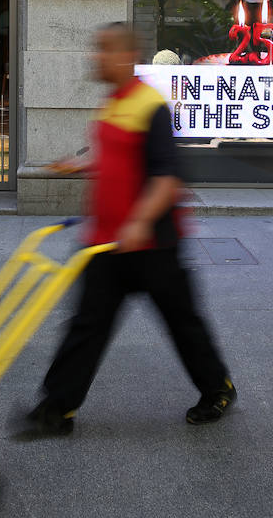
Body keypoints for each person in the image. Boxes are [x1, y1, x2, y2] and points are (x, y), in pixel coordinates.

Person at [20, 22, 235, 437]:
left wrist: (139, 222)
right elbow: (122, 160)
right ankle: (57, 408)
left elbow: (168, 177)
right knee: (87, 324)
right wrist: (83, 165)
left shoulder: (150, 106)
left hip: (153, 245)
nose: (94, 57)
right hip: (106, 244)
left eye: (101, 50)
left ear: (122, 56)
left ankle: (217, 389)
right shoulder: (114, 102)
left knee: (182, 323)